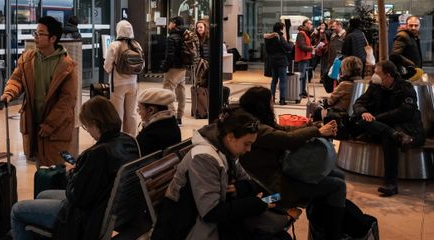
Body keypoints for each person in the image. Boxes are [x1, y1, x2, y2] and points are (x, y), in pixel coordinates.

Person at [10, 96, 140, 240]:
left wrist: (71, 173)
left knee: (17, 210)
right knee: (42, 195)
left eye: (86, 126)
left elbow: (77, 198)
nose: (87, 131)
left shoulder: (98, 154)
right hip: (111, 207)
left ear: (95, 124)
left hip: (87, 217)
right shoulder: (128, 140)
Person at [153, 109, 291, 240]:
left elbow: (249, 182)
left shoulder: (225, 149)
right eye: (246, 144)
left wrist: (241, 188)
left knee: (280, 233)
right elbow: (210, 212)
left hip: (215, 223)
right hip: (190, 229)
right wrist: (253, 204)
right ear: (231, 137)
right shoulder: (204, 158)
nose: (249, 149)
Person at [238, 86, 346, 240]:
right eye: (271, 101)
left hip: (276, 178)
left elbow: (284, 131)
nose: (273, 104)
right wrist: (317, 131)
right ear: (261, 105)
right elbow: (287, 140)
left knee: (336, 175)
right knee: (337, 186)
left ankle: (322, 230)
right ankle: (332, 235)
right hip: (272, 192)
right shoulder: (256, 129)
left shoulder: (253, 121)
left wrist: (314, 126)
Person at [1, 16, 78, 166]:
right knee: (38, 166)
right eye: (35, 33)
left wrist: (50, 124)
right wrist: (9, 93)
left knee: (53, 168)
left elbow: (67, 101)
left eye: (40, 34)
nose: (35, 37)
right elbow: (17, 79)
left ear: (52, 38)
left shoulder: (67, 66)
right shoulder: (28, 58)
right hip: (33, 122)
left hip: (55, 127)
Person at [351, 61, 425, 196]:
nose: (374, 76)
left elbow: (404, 113)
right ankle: (396, 135)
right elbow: (359, 103)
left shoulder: (405, 88)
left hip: (407, 129)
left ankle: (391, 183)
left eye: (377, 73)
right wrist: (363, 112)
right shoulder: (375, 86)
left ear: (388, 75)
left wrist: (376, 118)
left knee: (387, 137)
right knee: (359, 119)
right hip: (387, 127)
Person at [103, 20, 140, 135]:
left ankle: (117, 138)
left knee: (117, 113)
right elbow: (141, 64)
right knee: (131, 113)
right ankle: (131, 137)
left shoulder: (114, 45)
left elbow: (107, 66)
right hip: (133, 83)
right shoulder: (136, 45)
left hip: (118, 84)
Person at [312, 56, 363, 122]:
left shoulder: (344, 85)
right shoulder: (361, 84)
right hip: (354, 114)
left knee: (317, 110)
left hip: (340, 115)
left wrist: (321, 103)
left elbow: (330, 102)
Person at [136, 88, 181, 156]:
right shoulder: (172, 122)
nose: (138, 112)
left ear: (151, 110)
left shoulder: (150, 135)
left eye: (139, 108)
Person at [162, 16, 187, 125]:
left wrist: (165, 67)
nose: (169, 24)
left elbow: (170, 56)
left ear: (174, 24)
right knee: (181, 91)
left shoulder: (172, 37)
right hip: (183, 68)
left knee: (168, 91)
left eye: (170, 22)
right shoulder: (185, 35)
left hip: (173, 68)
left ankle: (172, 117)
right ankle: (179, 117)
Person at [264, 22, 293, 105]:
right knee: (283, 81)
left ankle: (271, 99)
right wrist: (291, 42)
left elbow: (267, 50)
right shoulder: (280, 37)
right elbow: (288, 48)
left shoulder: (268, 38)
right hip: (281, 61)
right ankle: (282, 99)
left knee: (274, 80)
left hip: (273, 61)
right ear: (281, 28)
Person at [324, 21, 346, 92]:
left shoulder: (345, 35)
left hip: (341, 61)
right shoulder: (333, 35)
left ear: (339, 26)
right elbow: (331, 49)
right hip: (333, 61)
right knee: (333, 79)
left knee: (339, 80)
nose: (332, 29)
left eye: (334, 27)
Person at [294, 19, 314, 97]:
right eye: (310, 24)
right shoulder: (301, 33)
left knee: (305, 76)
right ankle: (300, 92)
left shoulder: (306, 33)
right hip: (302, 58)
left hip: (306, 57)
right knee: (302, 76)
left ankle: (303, 91)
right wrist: (311, 48)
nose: (311, 25)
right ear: (305, 24)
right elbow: (301, 46)